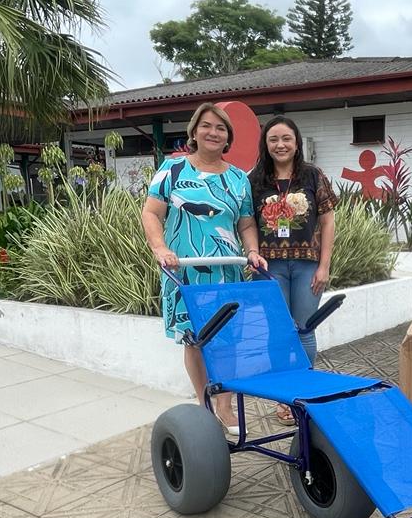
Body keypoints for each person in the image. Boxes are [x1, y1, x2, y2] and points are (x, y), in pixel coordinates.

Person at [141, 102, 267, 435]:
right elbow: (151, 213)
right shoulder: (172, 170)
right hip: (184, 270)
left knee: (228, 340)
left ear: (228, 138)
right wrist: (160, 247)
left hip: (227, 270)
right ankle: (205, 405)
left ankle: (225, 409)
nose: (213, 132)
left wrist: (252, 251)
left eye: (221, 128)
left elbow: (246, 223)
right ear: (194, 131)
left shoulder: (239, 179)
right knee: (194, 341)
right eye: (206, 126)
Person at [248, 116, 337, 425]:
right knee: (277, 332)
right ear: (265, 144)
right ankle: (284, 398)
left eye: (286, 138)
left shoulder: (313, 176)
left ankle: (303, 391)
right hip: (269, 267)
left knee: (304, 329)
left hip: (307, 266)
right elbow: (246, 222)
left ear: (297, 142)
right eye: (273, 139)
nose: (280, 144)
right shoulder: (255, 179)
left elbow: (327, 221)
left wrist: (324, 265)